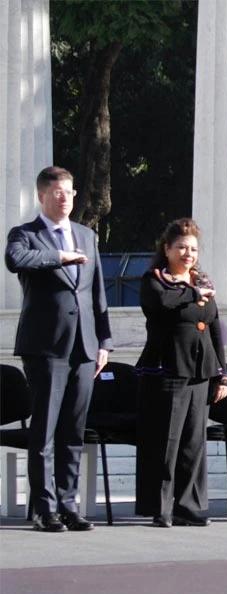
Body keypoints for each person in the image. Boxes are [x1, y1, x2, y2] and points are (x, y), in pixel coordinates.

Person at [4, 166, 113, 533]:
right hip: (46, 347)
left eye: (69, 191)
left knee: (73, 431)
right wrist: (60, 257)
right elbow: (16, 261)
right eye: (57, 192)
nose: (65, 198)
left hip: (84, 346)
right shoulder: (26, 235)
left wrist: (105, 341)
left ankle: (69, 505)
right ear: (42, 196)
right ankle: (44, 508)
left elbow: (97, 293)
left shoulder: (85, 234)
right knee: (46, 431)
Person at [135, 218, 227, 527]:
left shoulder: (201, 280)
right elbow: (163, 303)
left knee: (193, 443)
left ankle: (190, 507)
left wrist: (221, 374)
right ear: (167, 249)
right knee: (166, 442)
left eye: (193, 249)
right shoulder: (155, 279)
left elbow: (214, 328)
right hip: (167, 370)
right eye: (182, 248)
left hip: (200, 371)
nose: (188, 254)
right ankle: (160, 507)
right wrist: (193, 293)